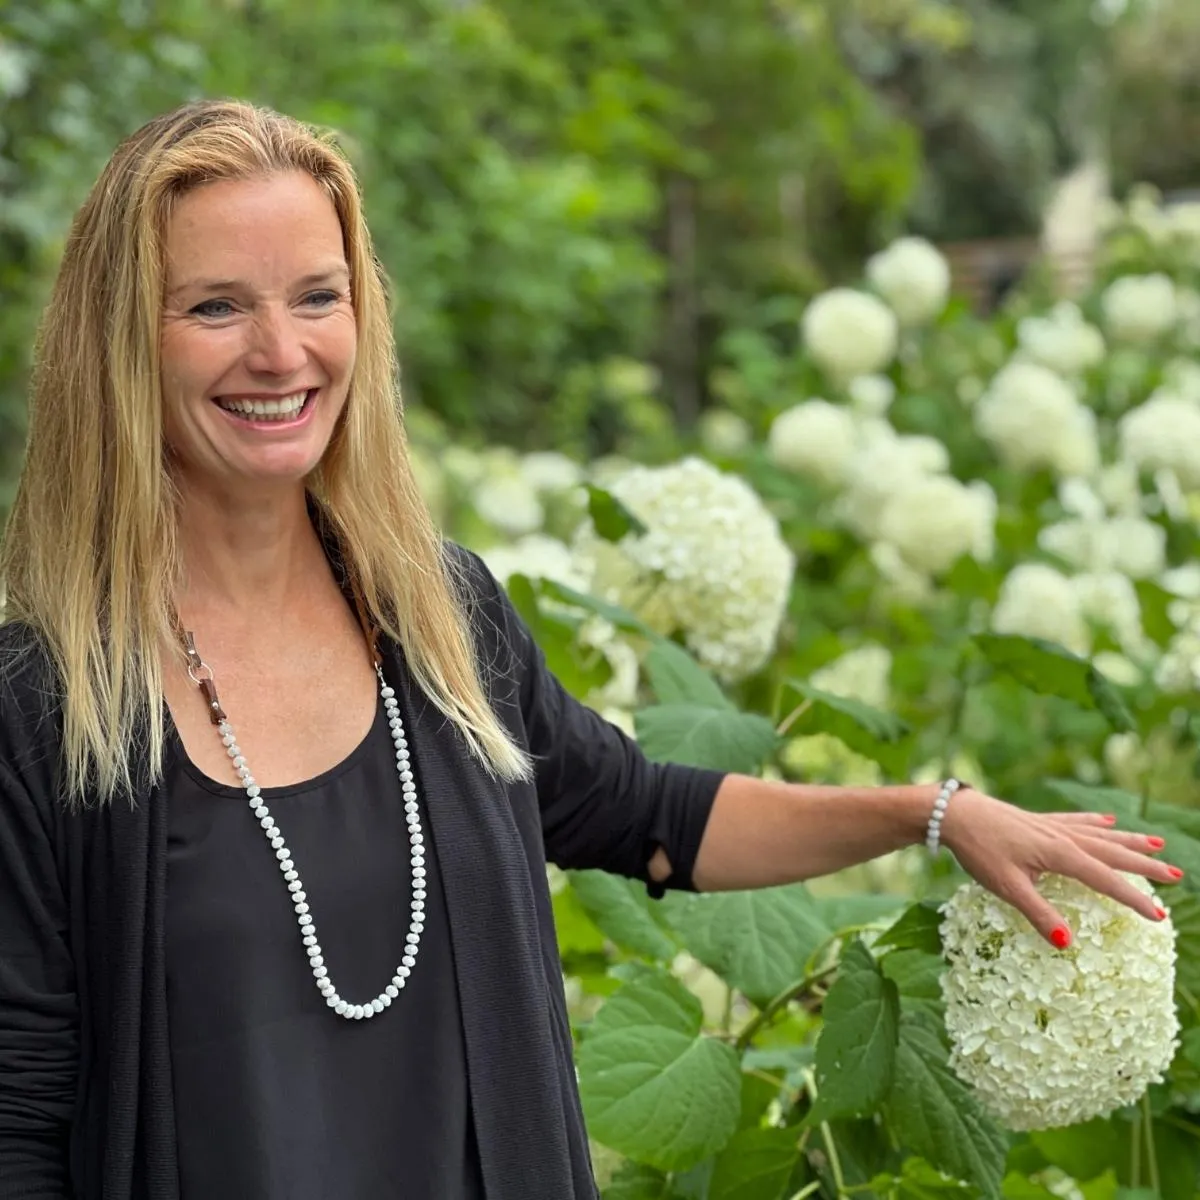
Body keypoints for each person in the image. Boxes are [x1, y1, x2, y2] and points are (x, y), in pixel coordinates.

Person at [0, 99, 1176, 1200]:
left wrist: (935, 814)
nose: (280, 351)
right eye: (215, 307)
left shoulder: (442, 621)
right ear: (121, 345)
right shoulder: (45, 705)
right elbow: (20, 1108)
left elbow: (646, 811)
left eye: (317, 295)